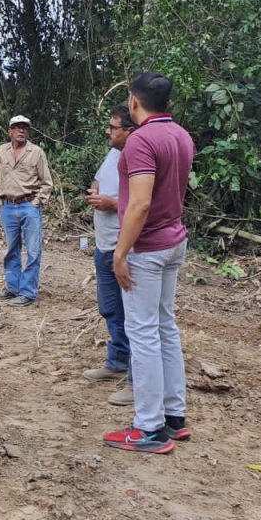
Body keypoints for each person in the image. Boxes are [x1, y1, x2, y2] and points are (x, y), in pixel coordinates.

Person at [103, 72, 195, 455]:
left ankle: (149, 428)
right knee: (164, 327)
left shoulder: (141, 141)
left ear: (135, 103)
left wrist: (120, 253)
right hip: (174, 241)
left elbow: (139, 203)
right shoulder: (181, 136)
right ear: (168, 103)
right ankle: (174, 417)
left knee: (142, 334)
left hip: (147, 248)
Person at [82, 104, 137, 406]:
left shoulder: (138, 156)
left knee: (134, 314)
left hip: (124, 246)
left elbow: (142, 203)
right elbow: (99, 181)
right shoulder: (112, 154)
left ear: (129, 130)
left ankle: (135, 377)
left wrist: (112, 203)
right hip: (104, 245)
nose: (108, 131)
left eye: (113, 127)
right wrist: (94, 193)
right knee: (111, 309)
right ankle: (116, 360)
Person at [0, 115, 53, 307]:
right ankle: (12, 288)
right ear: (10, 132)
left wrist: (36, 202)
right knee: (11, 250)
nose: (21, 130)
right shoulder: (1, 152)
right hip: (7, 206)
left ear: (28, 131)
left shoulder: (36, 152)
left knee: (33, 251)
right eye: (16, 127)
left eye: (24, 127)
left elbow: (47, 182)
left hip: (29, 206)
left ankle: (28, 293)